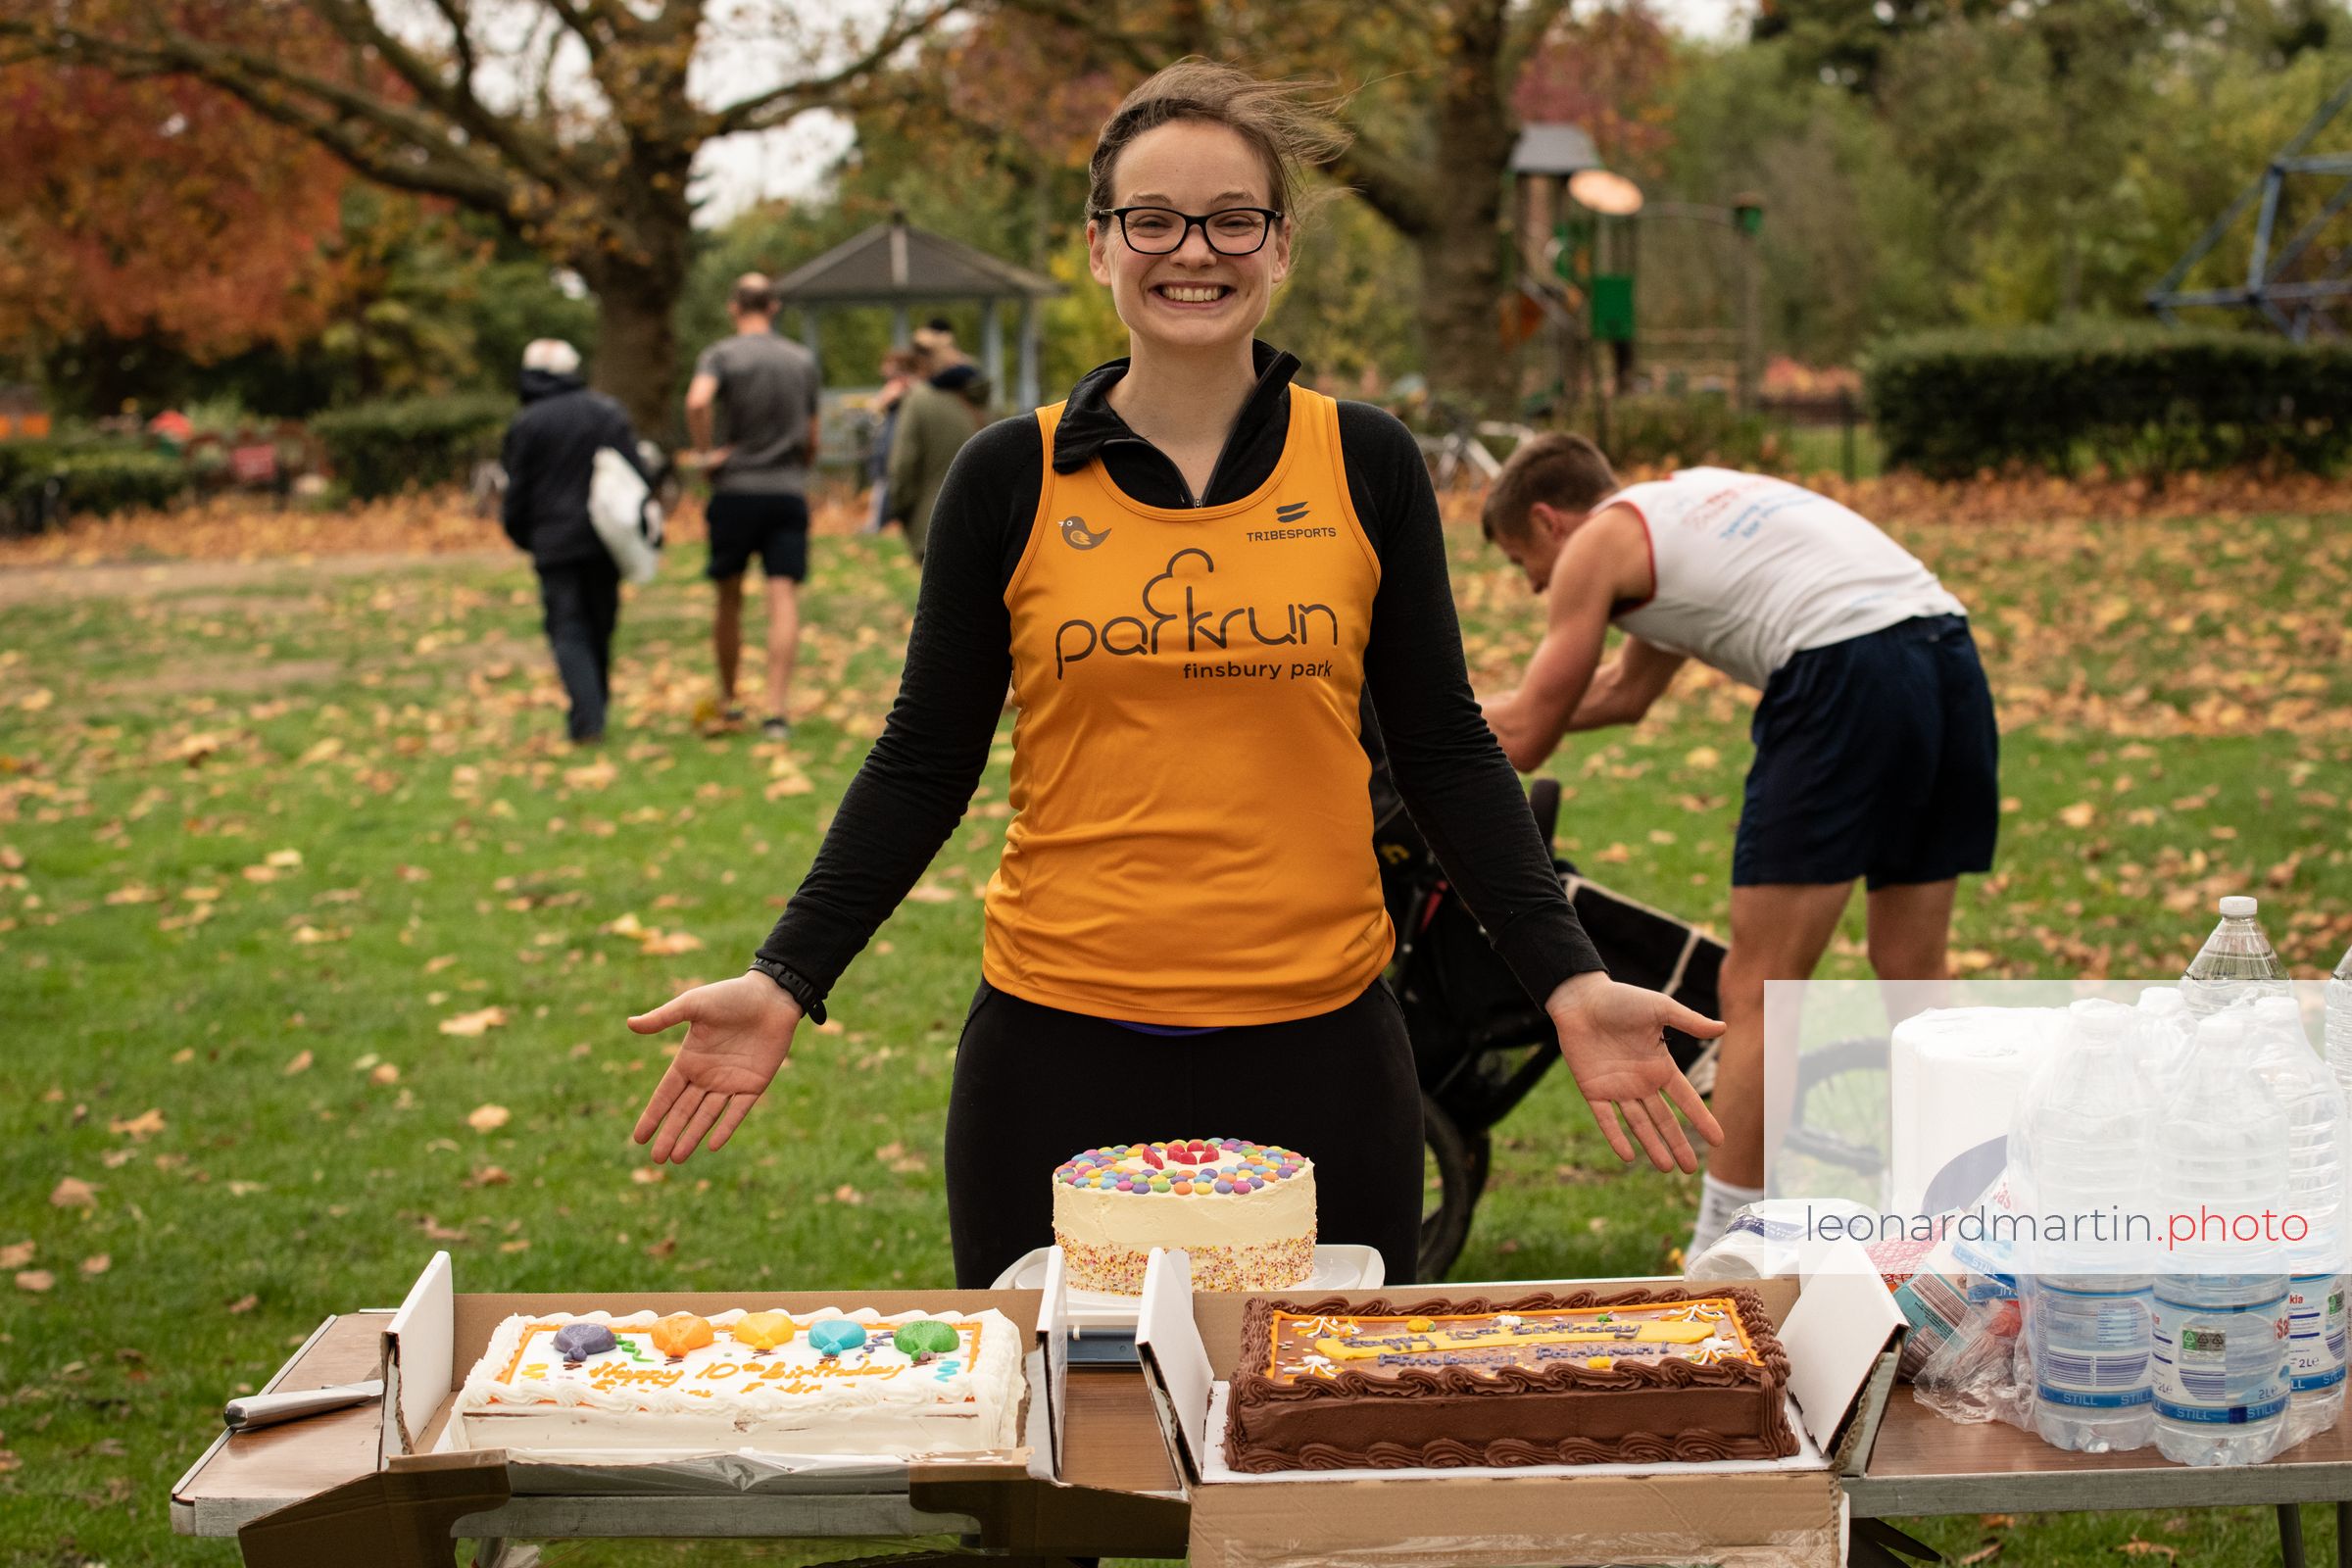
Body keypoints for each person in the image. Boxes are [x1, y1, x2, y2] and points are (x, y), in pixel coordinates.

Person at [627, 63, 1722, 1291]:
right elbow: (924, 760)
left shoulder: (1367, 462)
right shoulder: (1006, 477)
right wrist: (786, 974)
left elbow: (1444, 749)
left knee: (1314, 1406)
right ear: (1100, 244)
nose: (1192, 251)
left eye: (1231, 219)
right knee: (1063, 1411)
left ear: (1280, 245)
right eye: (1152, 219)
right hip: (1057, 1048)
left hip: (1322, 1050)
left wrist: (1569, 975)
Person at [1476, 436, 1998, 1255]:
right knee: (1911, 964)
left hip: (1843, 668)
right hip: (1945, 653)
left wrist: (1408, 725)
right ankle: (1978, 1208)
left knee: (1758, 986)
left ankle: (1730, 1242)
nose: (1536, 583)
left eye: (1522, 562)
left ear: (1549, 522)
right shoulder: (1680, 511)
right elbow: (1623, 693)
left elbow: (1533, 732)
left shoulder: (1595, 546)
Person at [684, 274, 822, 740]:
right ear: (774, 306)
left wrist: (706, 455)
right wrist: (797, 465)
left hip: (735, 491)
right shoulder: (801, 360)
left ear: (733, 307)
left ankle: (730, 699)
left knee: (729, 596)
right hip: (786, 491)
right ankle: (776, 711)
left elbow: (697, 402)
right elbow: (813, 433)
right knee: (782, 596)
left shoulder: (721, 355)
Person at [499, 338, 648, 746]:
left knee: (567, 627)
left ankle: (587, 717)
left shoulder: (528, 423)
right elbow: (637, 474)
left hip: (553, 541)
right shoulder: (605, 412)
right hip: (605, 538)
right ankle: (593, 710)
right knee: (600, 623)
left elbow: (518, 489)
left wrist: (522, 533)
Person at [884, 333, 993, 564]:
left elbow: (903, 465)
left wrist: (899, 508)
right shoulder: (983, 399)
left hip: (933, 521)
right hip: (988, 524)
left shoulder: (919, 400)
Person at [863, 347, 922, 536]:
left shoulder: (906, 386)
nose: (883, 370)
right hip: (888, 443)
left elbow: (877, 404)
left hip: (895, 444)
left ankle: (878, 525)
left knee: (887, 483)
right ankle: (877, 524)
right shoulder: (902, 386)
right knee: (882, 483)